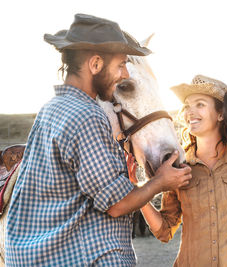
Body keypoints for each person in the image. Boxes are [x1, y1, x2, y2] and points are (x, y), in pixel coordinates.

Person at [5, 14, 191, 266]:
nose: (123, 72)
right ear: (95, 64)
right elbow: (116, 204)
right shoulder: (87, 116)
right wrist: (160, 181)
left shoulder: (51, 109)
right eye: (120, 67)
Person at [138, 75, 227, 266]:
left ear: (221, 114)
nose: (190, 112)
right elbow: (165, 230)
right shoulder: (177, 164)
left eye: (200, 104)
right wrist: (137, 193)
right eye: (187, 106)